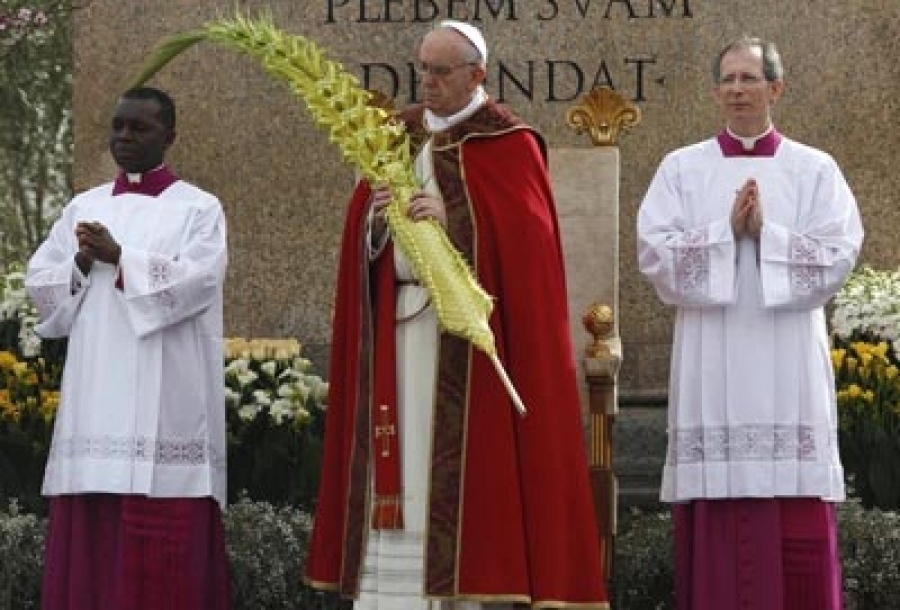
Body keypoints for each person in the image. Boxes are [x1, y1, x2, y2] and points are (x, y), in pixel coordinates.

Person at [305, 20, 609, 610]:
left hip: (464, 348)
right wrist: (375, 224)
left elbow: (530, 252)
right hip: (398, 334)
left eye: (442, 71)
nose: (429, 81)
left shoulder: (510, 142)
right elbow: (358, 237)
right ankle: (390, 593)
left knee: (464, 471)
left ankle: (468, 590)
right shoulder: (395, 137)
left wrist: (453, 224)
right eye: (422, 69)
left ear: (478, 75)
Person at [637, 36, 863, 610]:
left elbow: (839, 255)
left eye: (750, 79)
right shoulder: (681, 168)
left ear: (775, 88)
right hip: (712, 357)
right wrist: (724, 233)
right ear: (716, 90)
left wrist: (768, 234)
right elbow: (654, 255)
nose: (737, 90)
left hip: (786, 359)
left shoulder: (814, 169)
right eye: (728, 80)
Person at [26, 86, 231, 609]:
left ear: (170, 135)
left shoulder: (198, 209)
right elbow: (43, 289)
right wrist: (79, 264)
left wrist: (123, 258)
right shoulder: (83, 206)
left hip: (165, 405)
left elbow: (199, 284)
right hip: (95, 398)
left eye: (138, 128)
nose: (124, 137)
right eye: (117, 126)